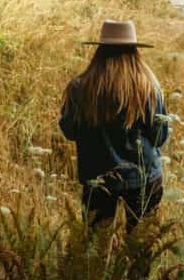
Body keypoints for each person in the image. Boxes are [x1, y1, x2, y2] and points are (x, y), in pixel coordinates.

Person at [60, 19, 169, 227]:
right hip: (144, 177)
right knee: (141, 247)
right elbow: (159, 136)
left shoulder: (79, 87)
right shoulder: (148, 86)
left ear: (100, 50)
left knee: (96, 247)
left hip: (97, 179)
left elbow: (70, 131)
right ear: (135, 50)